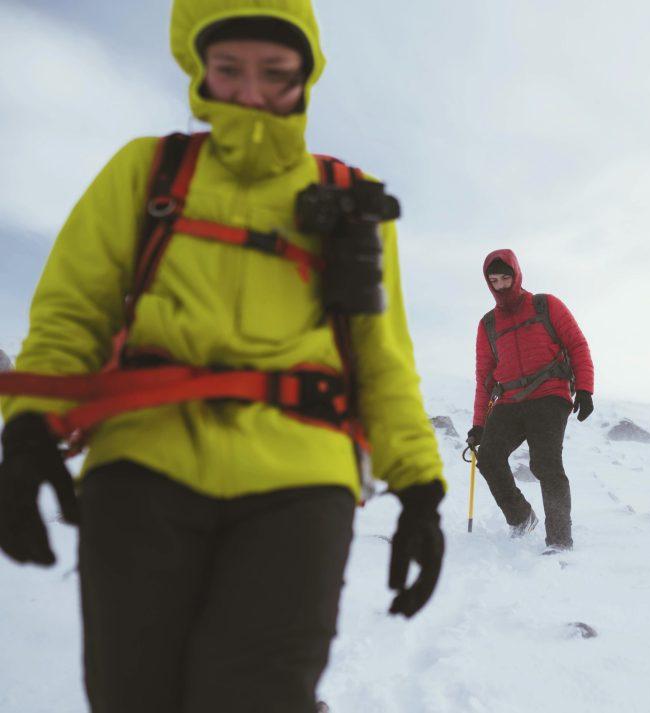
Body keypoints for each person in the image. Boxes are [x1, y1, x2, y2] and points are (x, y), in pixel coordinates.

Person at [0, 1, 445, 711]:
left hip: (301, 478)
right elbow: (69, 317)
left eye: (275, 73)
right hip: (142, 465)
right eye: (229, 69)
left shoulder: (349, 202)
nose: (251, 93)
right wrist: (27, 432)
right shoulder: (146, 173)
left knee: (255, 695)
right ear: (200, 68)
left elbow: (383, 358)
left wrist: (419, 489)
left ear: (306, 74)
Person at [466, 249, 594, 553]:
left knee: (546, 463)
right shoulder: (487, 325)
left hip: (550, 395)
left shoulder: (546, 305)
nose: (500, 285)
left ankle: (560, 540)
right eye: (494, 280)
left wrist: (586, 389)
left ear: (517, 274)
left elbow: (577, 345)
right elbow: (485, 377)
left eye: (505, 277)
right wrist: (478, 425)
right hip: (509, 400)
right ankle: (522, 518)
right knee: (489, 458)